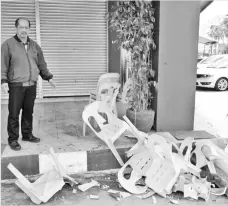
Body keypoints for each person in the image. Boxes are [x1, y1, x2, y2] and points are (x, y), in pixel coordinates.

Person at [1, 17, 56, 151]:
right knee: (14, 113)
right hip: (16, 85)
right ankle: (13, 139)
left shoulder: (35, 46)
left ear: (29, 29)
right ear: (16, 28)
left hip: (31, 84)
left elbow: (41, 63)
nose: (24, 30)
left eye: (26, 27)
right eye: (21, 27)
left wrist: (48, 77)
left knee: (28, 111)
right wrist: (3, 81)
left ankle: (27, 134)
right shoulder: (7, 44)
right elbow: (2, 64)